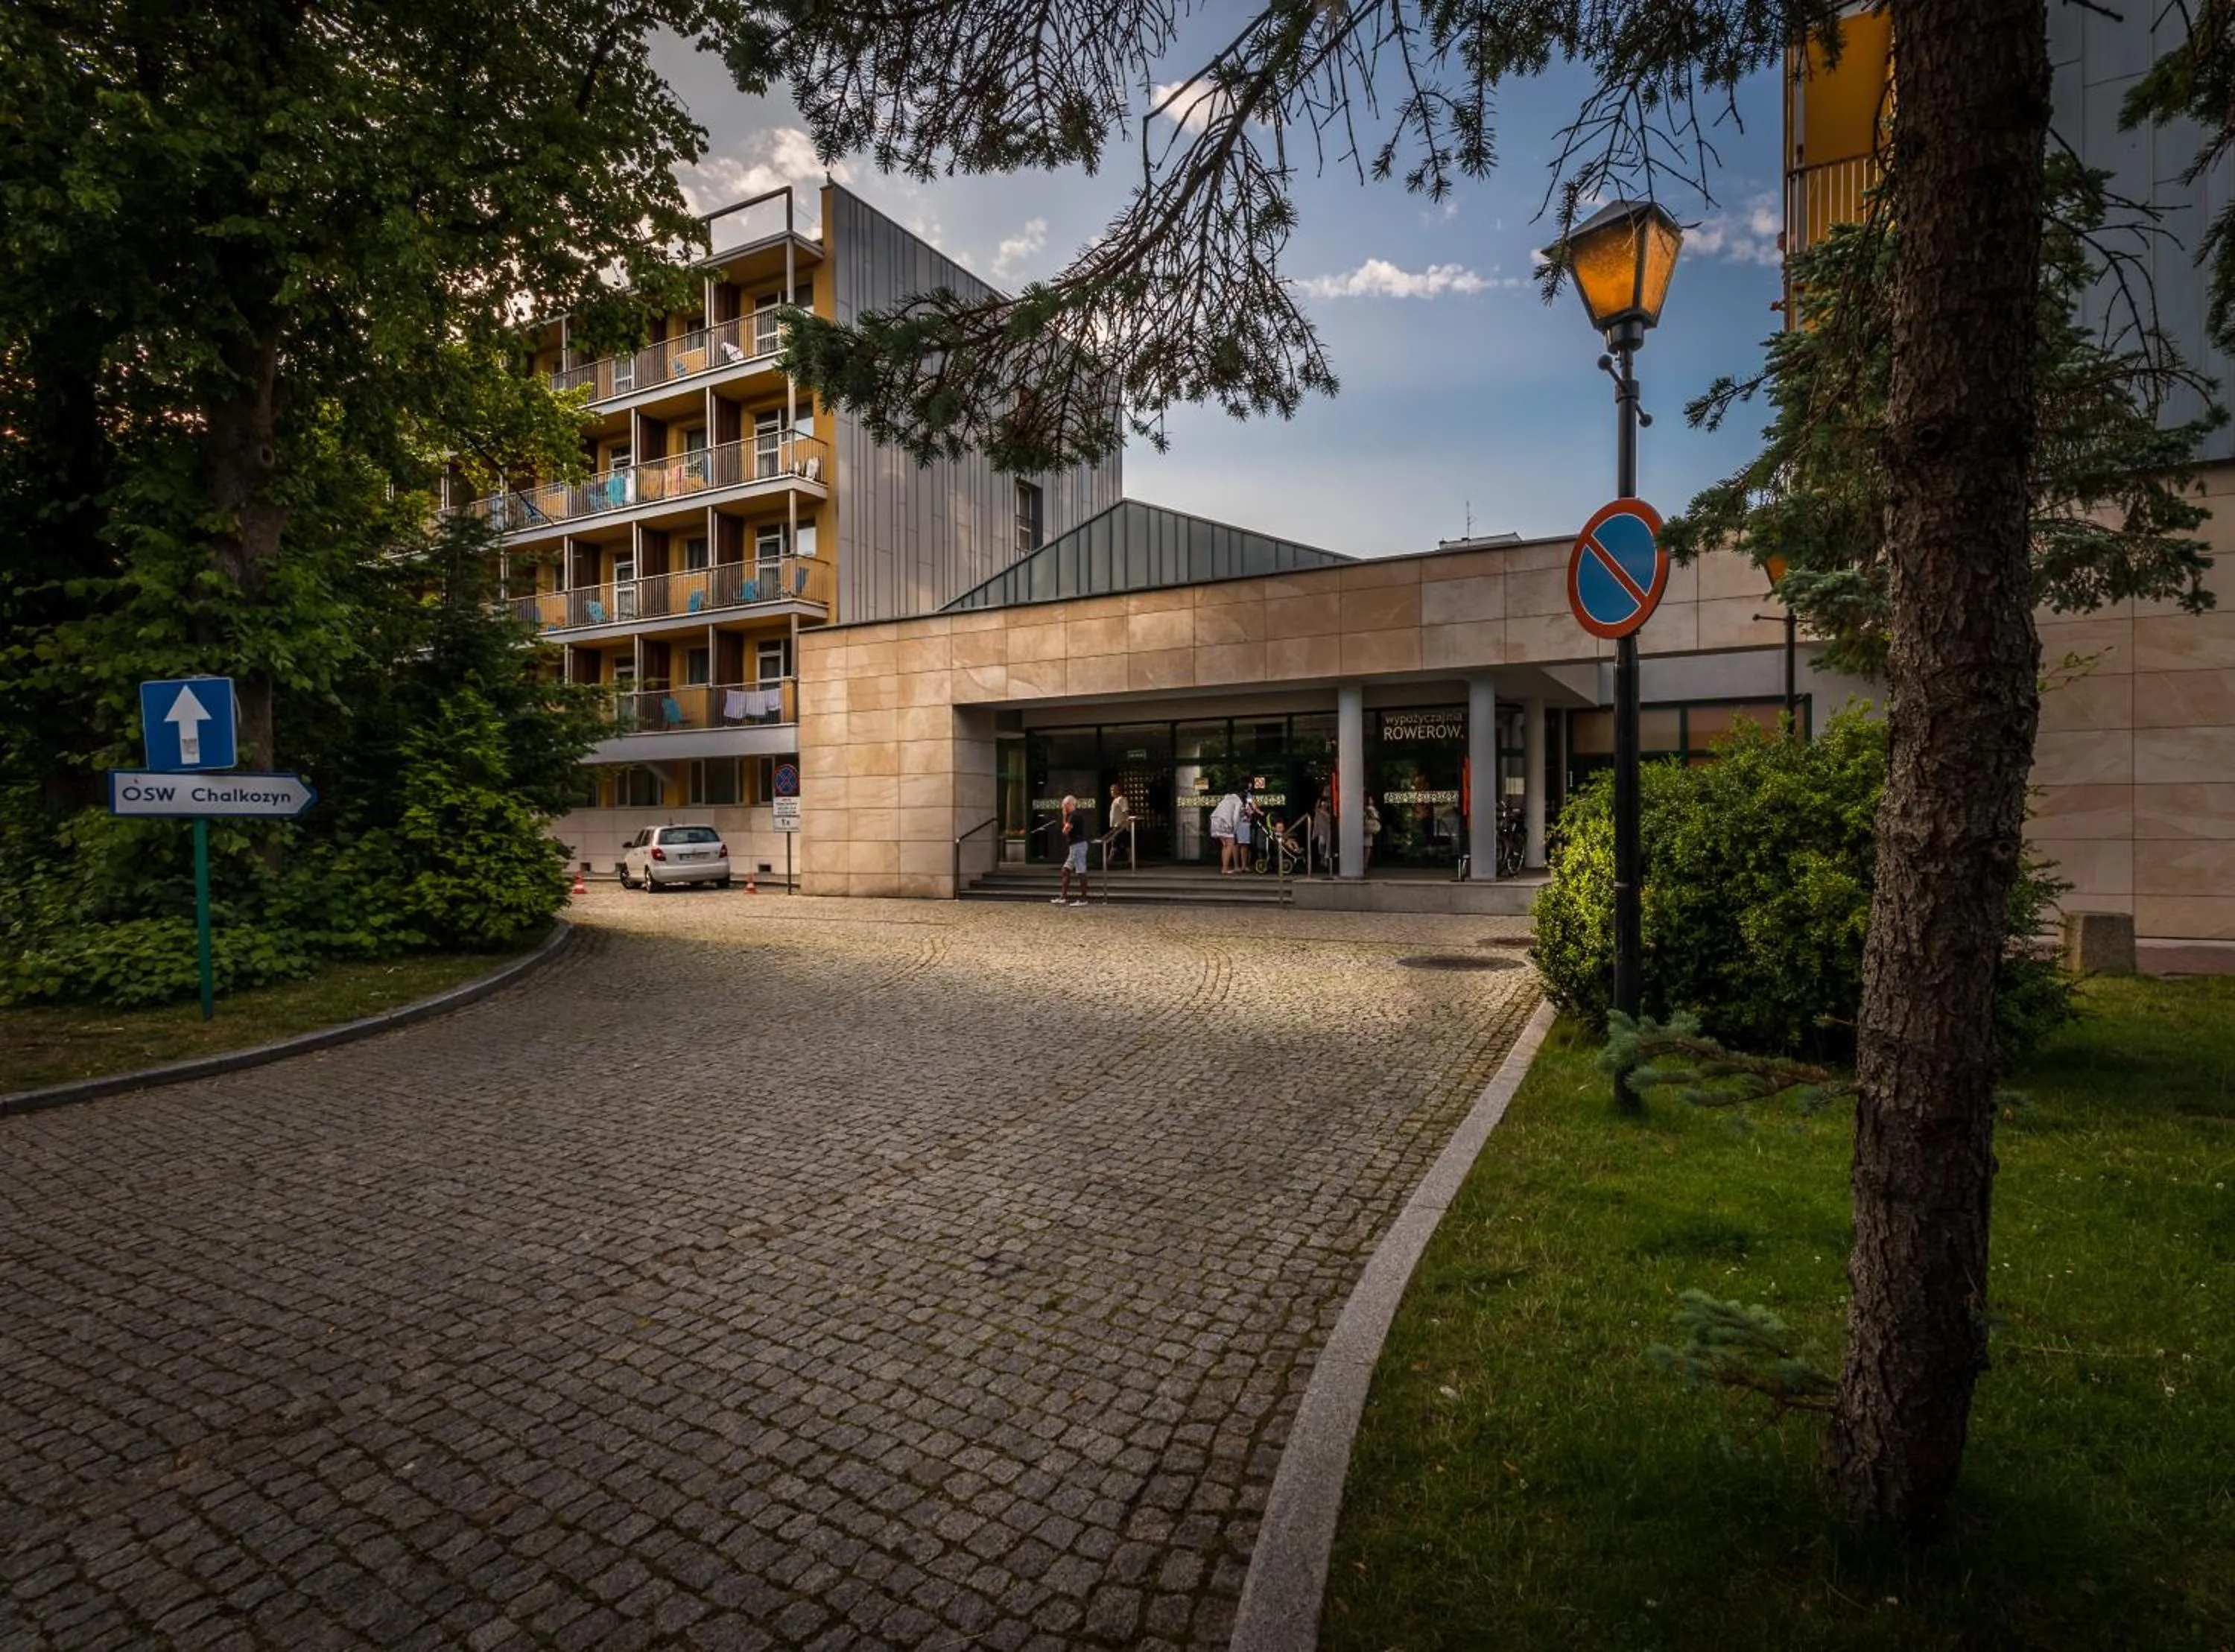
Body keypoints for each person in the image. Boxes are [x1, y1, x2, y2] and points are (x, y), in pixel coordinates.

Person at [1053, 794, 1091, 906]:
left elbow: (1065, 831)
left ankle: (1083, 899)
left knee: (1081, 871)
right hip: (1075, 846)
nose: (1063, 807)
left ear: (1069, 804)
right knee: (1066, 870)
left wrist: (1064, 816)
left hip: (1078, 846)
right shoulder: (1074, 815)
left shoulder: (1074, 816)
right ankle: (1063, 897)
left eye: (1064, 805)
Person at [1208, 784, 1243, 873]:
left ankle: (1224, 867)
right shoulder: (1238, 801)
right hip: (1225, 822)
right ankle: (1225, 869)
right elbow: (1236, 816)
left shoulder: (1225, 799)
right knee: (1230, 844)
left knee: (1225, 845)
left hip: (1215, 821)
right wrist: (1234, 829)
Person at [1105, 782, 1131, 864]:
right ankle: (1130, 858)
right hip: (1116, 826)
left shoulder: (1121, 799)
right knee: (1124, 843)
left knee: (1115, 842)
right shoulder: (1115, 800)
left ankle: (1109, 859)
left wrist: (1122, 822)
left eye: (1113, 790)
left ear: (1118, 790)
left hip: (1120, 826)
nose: (1112, 792)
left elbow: (1126, 812)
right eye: (1111, 790)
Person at [1310, 797, 1334, 874]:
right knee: (1321, 844)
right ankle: (1322, 858)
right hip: (1321, 831)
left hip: (1328, 830)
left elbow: (1329, 818)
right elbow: (1316, 809)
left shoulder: (1328, 813)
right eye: (1323, 805)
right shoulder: (1318, 812)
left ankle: (1326, 860)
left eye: (1325, 805)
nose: (1324, 806)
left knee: (1328, 846)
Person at [1364, 798, 1382, 872]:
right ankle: (1365, 865)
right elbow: (1376, 818)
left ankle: (1365, 865)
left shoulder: (1370, 809)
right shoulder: (1371, 809)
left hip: (1365, 830)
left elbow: (1376, 818)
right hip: (1367, 830)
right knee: (1367, 848)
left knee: (1366, 848)